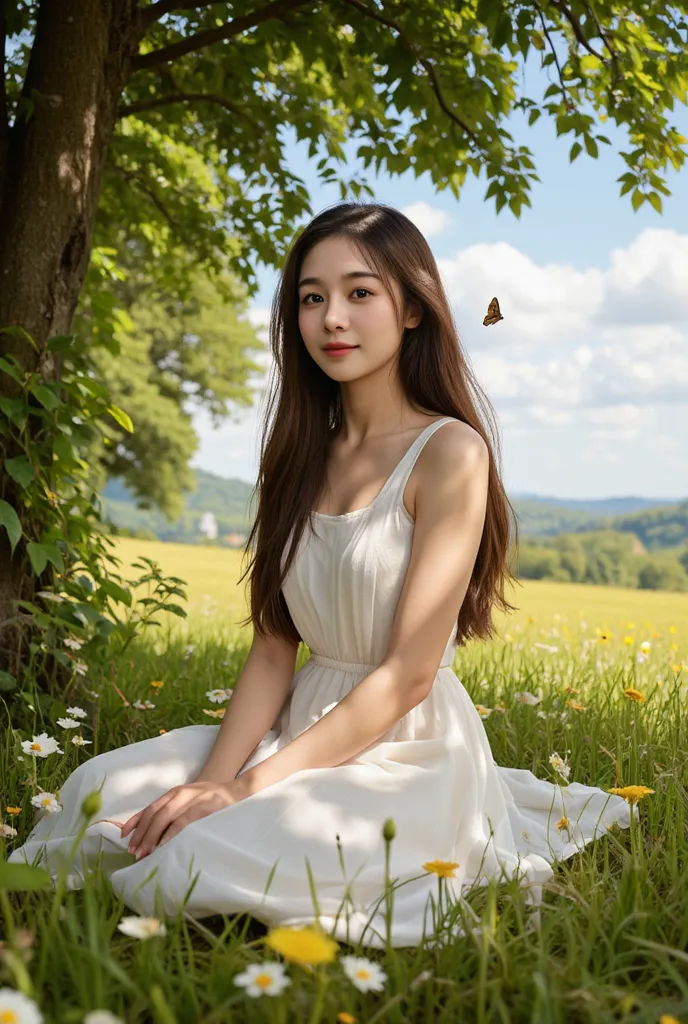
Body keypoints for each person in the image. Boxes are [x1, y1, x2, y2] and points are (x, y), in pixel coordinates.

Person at [9, 201, 635, 948]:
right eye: (312, 297)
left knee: (198, 856)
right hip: (298, 727)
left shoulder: (450, 454)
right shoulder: (300, 455)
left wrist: (243, 793)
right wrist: (216, 776)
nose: (332, 317)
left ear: (412, 308)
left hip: (408, 745)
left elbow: (407, 676)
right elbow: (274, 647)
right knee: (95, 793)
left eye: (360, 292)